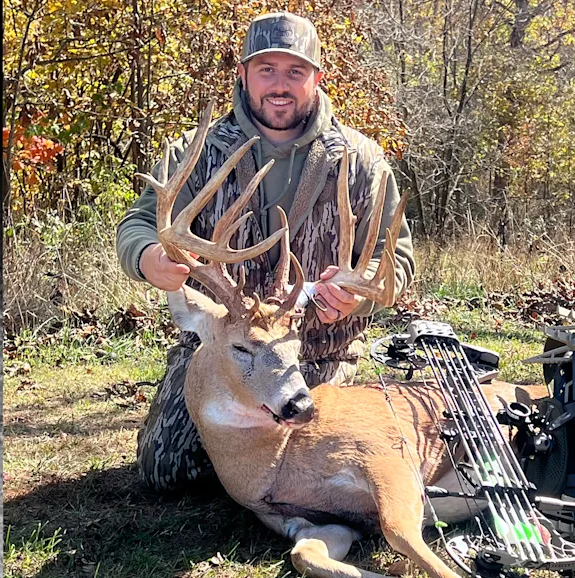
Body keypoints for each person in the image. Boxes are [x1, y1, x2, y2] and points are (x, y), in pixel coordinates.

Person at [115, 11, 415, 493]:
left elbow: (394, 259)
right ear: (243, 74)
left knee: (322, 476)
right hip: (222, 354)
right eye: (266, 70)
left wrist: (357, 296)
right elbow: (138, 225)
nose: (280, 85)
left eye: (295, 71)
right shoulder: (197, 151)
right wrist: (148, 257)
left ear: (317, 77)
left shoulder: (361, 160)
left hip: (319, 352)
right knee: (166, 470)